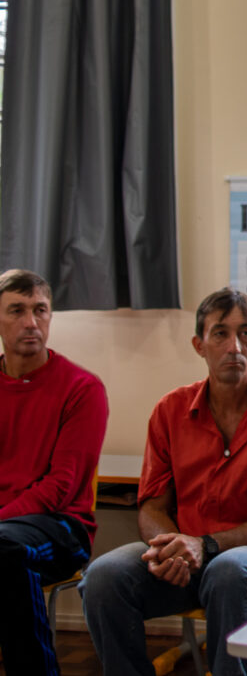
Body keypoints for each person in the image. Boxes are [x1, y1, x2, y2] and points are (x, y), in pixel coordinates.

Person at [81, 288, 247, 676]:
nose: (234, 346)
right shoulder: (170, 411)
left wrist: (203, 546)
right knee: (103, 577)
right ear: (199, 345)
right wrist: (171, 547)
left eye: (245, 333)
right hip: (182, 555)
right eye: (220, 334)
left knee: (229, 573)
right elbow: (153, 506)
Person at [0, 269, 109, 676]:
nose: (31, 322)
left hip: (62, 528)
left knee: (5, 550)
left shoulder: (82, 388)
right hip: (7, 529)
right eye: (17, 311)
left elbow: (61, 486)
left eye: (40, 310)